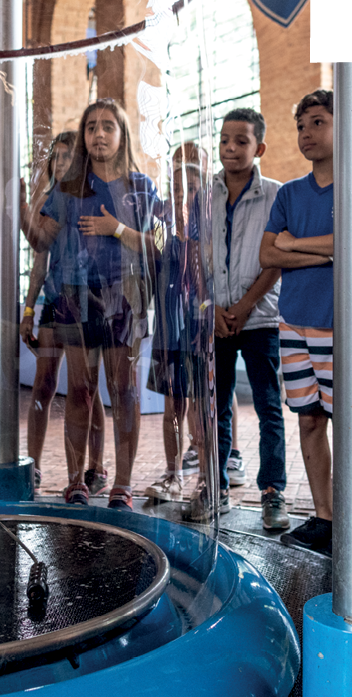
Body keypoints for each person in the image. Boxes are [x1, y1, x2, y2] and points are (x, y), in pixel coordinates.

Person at [25, 99, 159, 510]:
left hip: (123, 299)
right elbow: (40, 242)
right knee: (80, 390)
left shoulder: (140, 187)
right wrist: (20, 202)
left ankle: (122, 482)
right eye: (91, 127)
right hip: (73, 298)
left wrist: (115, 228)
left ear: (122, 136)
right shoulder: (68, 189)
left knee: (124, 391)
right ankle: (74, 480)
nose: (98, 134)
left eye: (107, 127)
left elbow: (156, 246)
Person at [188, 108, 288, 526]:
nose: (230, 148)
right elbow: (193, 253)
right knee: (216, 405)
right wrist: (210, 309)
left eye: (241, 141)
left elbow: (277, 258)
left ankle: (272, 492)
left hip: (259, 318)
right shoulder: (203, 195)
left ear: (259, 147)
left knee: (268, 406)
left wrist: (243, 308)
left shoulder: (276, 195)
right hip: (216, 318)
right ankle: (216, 486)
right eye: (225, 140)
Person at [260, 89, 334, 552]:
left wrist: (293, 246)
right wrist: (323, 251)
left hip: (337, 325)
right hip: (293, 324)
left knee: (348, 423)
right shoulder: (288, 193)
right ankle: (325, 518)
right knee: (309, 420)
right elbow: (266, 253)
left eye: (318, 122)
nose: (306, 133)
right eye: (301, 125)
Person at [20, 131, 106, 493]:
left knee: (86, 387)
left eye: (68, 157)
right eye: (56, 158)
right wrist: (28, 309)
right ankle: (33, 466)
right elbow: (40, 257)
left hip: (90, 299)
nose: (61, 164)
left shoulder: (93, 196)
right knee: (44, 383)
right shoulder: (53, 201)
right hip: (56, 303)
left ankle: (96, 468)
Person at [144, 144, 204, 502]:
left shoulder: (207, 230)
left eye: (191, 189)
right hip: (170, 326)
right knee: (173, 405)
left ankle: (207, 478)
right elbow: (151, 267)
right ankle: (173, 473)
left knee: (201, 404)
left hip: (197, 327)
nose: (184, 195)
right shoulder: (162, 227)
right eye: (178, 189)